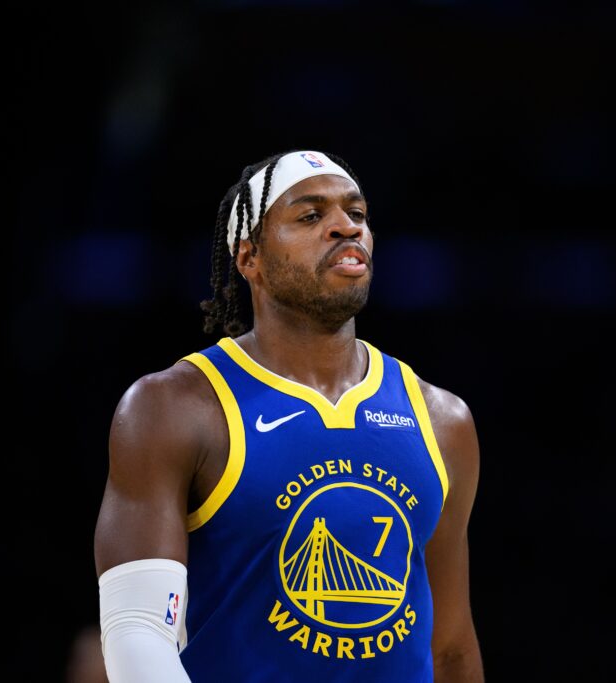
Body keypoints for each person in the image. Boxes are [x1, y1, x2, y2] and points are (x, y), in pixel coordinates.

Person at [94, 149, 484, 682]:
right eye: (310, 216)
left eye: (357, 214)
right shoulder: (176, 406)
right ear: (249, 257)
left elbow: (452, 650)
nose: (345, 227)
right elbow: (138, 632)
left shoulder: (442, 419)